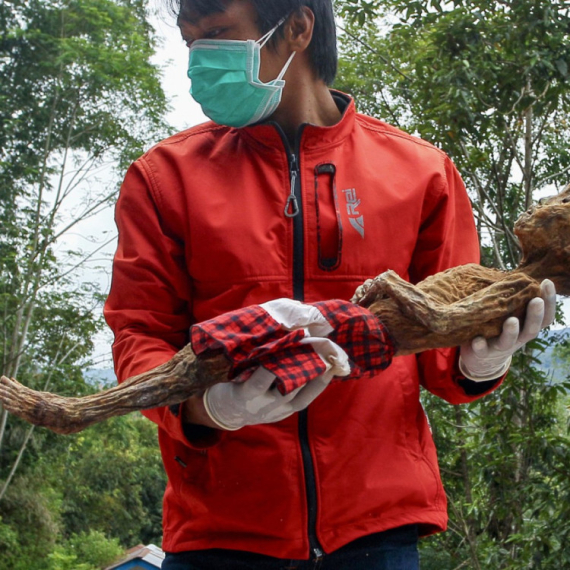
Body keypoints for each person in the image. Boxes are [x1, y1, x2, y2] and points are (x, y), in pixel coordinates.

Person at [103, 1, 556, 568]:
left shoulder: (420, 173)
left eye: (217, 34)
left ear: (296, 27)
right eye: (190, 41)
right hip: (221, 532)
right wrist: (208, 406)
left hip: (377, 531)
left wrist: (482, 360)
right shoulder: (165, 178)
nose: (198, 60)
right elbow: (137, 335)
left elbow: (445, 363)